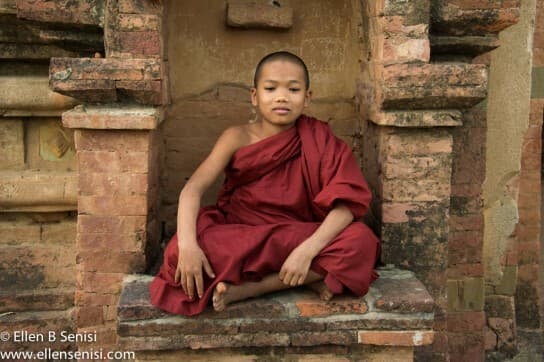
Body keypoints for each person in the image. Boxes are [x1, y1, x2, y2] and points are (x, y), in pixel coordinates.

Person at [149, 51, 380, 316]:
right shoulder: (237, 137)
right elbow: (193, 189)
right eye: (271, 88)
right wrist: (189, 246)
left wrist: (307, 250)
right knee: (179, 255)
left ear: (307, 97)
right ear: (255, 96)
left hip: (297, 234)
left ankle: (250, 289)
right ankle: (314, 278)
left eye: (293, 89)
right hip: (241, 234)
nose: (281, 97)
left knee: (361, 242)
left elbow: (347, 205)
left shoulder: (321, 140)